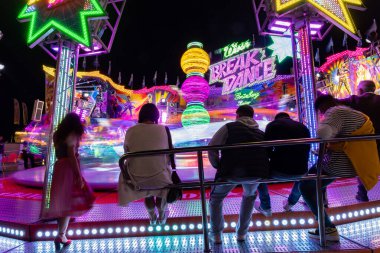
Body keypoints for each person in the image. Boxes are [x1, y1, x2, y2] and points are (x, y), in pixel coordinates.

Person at [299, 95, 380, 242]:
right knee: (311, 183)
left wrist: (324, 125)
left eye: (321, 112)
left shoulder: (335, 111)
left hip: (339, 163)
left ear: (322, 107)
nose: (322, 114)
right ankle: (324, 225)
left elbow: (323, 133)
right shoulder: (355, 113)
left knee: (304, 185)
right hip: (356, 162)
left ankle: (327, 227)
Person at [208, 105, 269, 243]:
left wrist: (218, 165)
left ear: (237, 115)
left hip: (231, 170)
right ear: (252, 117)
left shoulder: (229, 127)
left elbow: (212, 147)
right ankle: (242, 234)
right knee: (249, 196)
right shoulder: (260, 132)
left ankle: (216, 234)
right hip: (256, 172)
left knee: (216, 198)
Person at [41, 113, 95, 250]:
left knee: (62, 200)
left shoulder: (57, 135)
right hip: (68, 169)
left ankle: (61, 234)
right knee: (68, 202)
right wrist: (78, 175)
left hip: (59, 167)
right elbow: (71, 154)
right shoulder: (72, 134)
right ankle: (61, 234)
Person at [118, 103, 174, 225]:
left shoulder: (130, 131)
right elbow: (170, 154)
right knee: (160, 180)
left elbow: (127, 152)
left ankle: (152, 217)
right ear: (156, 116)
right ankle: (162, 212)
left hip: (137, 178)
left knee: (147, 192)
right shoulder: (163, 129)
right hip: (160, 177)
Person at [255, 112, 310, 216]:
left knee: (258, 175)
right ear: (289, 118)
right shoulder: (302, 126)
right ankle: (291, 203)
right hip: (301, 170)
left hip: (278, 170)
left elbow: (267, 149)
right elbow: (307, 148)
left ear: (276, 119)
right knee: (302, 178)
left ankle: (265, 206)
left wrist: (274, 157)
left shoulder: (272, 125)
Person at [339, 80, 380, 201]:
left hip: (364, 141)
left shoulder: (355, 100)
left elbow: (333, 103)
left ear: (361, 90)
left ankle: (362, 195)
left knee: (363, 167)